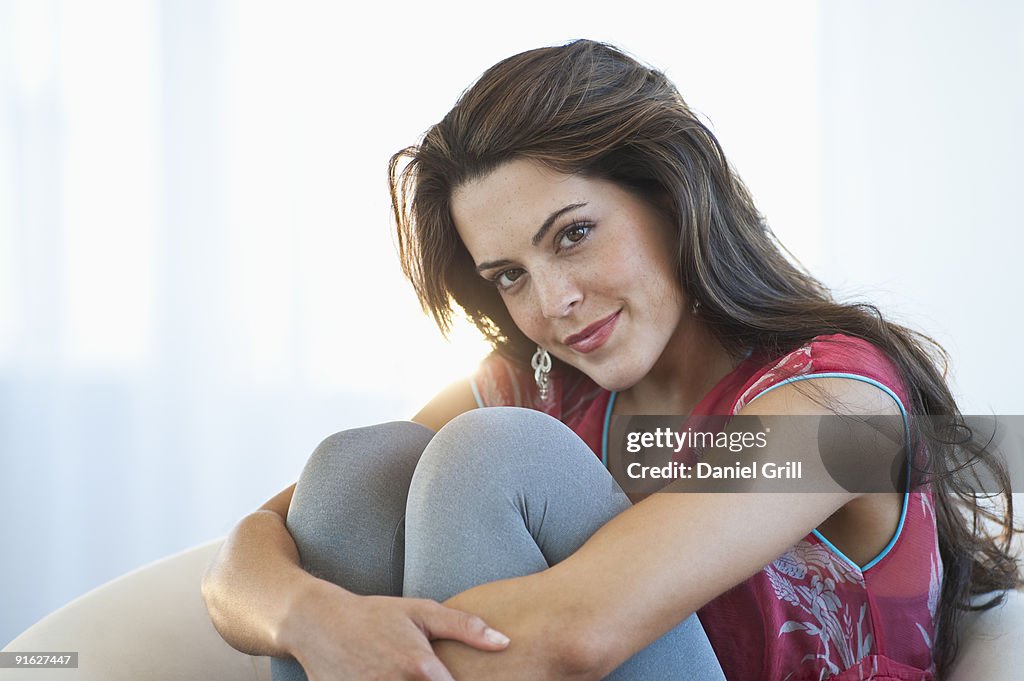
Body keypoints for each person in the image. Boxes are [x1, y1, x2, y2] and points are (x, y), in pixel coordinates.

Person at [202, 40, 1021, 680]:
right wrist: (309, 618)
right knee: (358, 464)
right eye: (510, 275)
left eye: (574, 234)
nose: (551, 301)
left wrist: (348, 654)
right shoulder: (541, 384)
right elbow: (246, 554)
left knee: (495, 455)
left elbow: (573, 637)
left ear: (671, 197)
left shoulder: (842, 408)